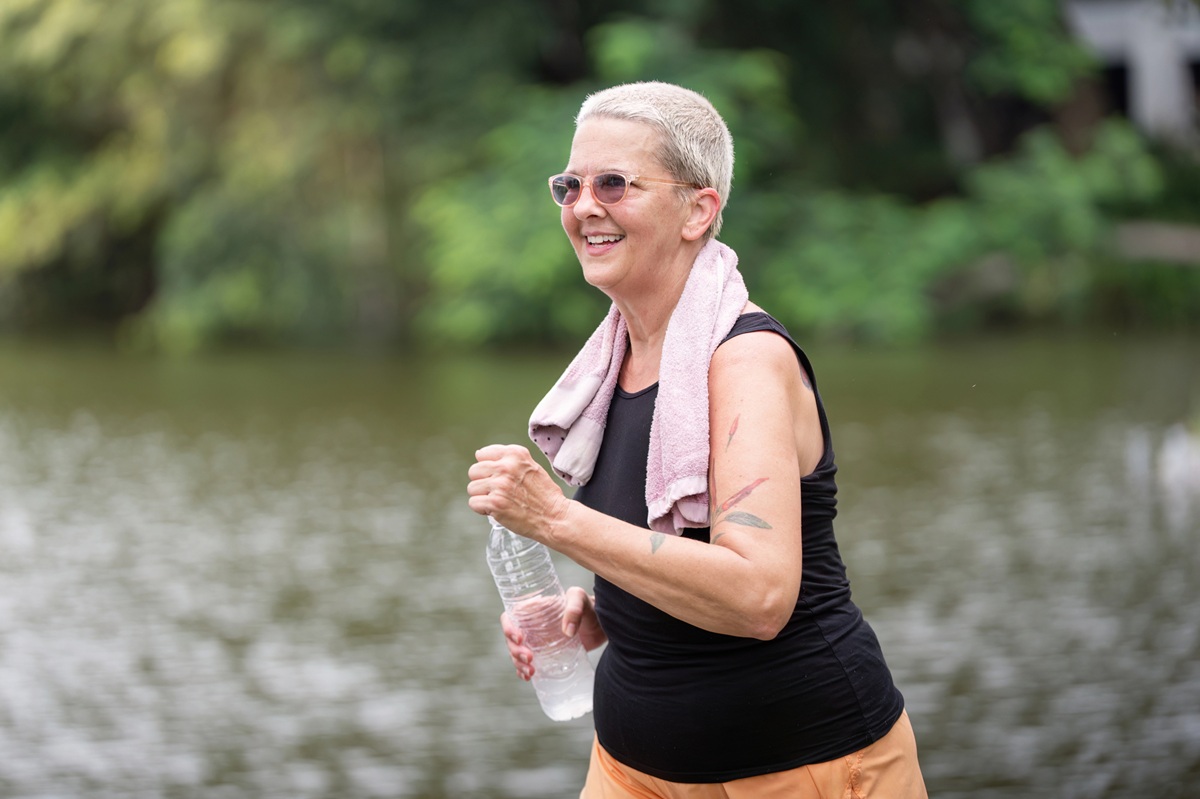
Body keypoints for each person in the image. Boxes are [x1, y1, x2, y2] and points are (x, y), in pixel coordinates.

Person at [466, 81, 926, 799]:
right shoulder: (612, 363)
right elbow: (663, 544)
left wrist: (554, 519)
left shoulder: (746, 361)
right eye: (570, 186)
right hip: (627, 770)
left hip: (799, 767)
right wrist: (603, 613)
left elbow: (758, 595)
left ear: (698, 209)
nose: (583, 207)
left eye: (613, 184)